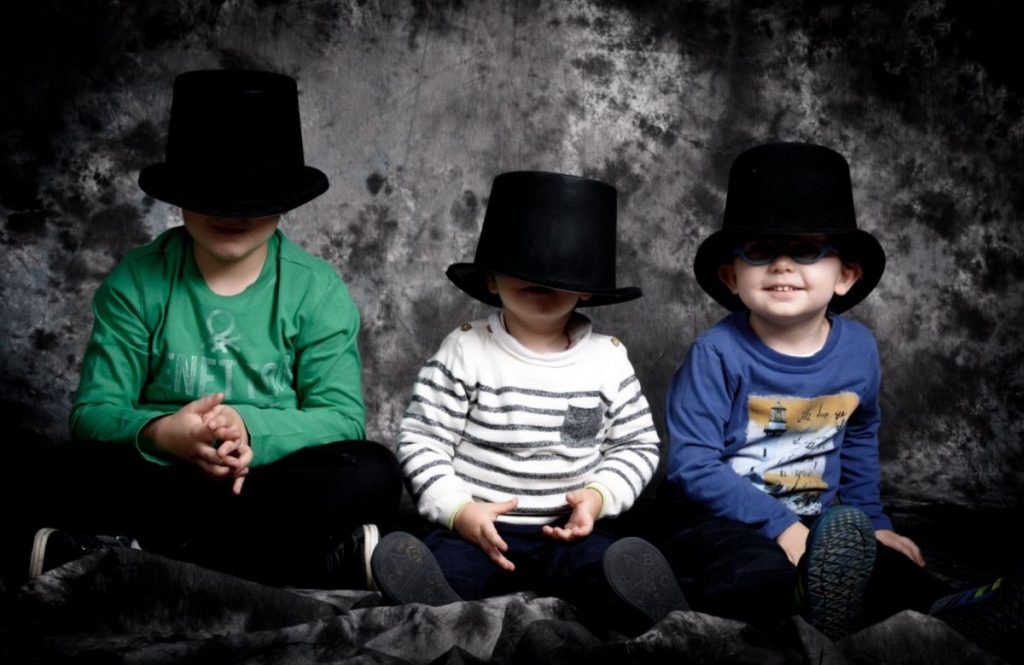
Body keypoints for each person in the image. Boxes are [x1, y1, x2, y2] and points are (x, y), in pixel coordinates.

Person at [28, 69, 402, 589]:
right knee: (58, 467)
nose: (231, 214)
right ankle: (304, 561)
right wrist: (164, 435)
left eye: (251, 200)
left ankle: (134, 560)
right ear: (179, 194)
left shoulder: (316, 289)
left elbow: (341, 419)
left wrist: (247, 430)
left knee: (375, 471)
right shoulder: (138, 280)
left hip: (267, 481)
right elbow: (93, 413)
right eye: (212, 196)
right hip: (165, 476)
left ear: (285, 200)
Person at [659, 142, 1020, 655]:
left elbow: (859, 437)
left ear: (845, 275)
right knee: (748, 572)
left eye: (806, 248)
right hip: (722, 519)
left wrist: (873, 522)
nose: (782, 265)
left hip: (825, 527)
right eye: (759, 252)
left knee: (893, 569)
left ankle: (956, 613)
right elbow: (692, 465)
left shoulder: (858, 351)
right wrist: (780, 526)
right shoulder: (716, 353)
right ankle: (791, 605)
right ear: (731, 277)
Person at [371, 171, 687, 630]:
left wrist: (598, 498)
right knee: (451, 568)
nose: (541, 280)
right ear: (492, 281)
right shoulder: (465, 350)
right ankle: (437, 606)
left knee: (605, 569)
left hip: (572, 533)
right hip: (480, 531)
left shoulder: (608, 360)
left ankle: (642, 606)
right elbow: (422, 441)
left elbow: (636, 446)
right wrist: (460, 512)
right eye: (524, 270)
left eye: (559, 274)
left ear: (587, 289)